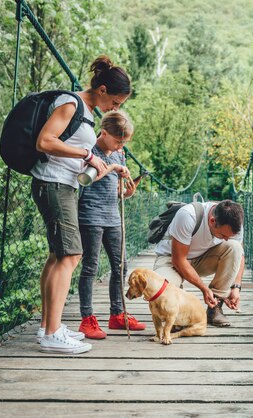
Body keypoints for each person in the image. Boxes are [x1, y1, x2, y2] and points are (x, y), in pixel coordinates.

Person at [31, 55, 131, 354]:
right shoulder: (71, 103)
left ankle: (49, 326)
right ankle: (51, 334)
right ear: (101, 89)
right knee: (72, 256)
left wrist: (96, 164)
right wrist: (87, 156)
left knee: (57, 256)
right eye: (115, 101)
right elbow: (44, 142)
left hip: (64, 184)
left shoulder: (86, 112)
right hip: (53, 183)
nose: (117, 108)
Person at [77, 110, 148, 339]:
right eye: (118, 141)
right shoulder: (90, 150)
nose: (120, 147)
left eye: (124, 143)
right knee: (91, 267)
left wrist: (126, 192)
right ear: (104, 133)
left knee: (121, 266)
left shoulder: (119, 154)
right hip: (90, 216)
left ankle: (117, 314)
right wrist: (114, 168)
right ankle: (87, 319)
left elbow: (114, 191)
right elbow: (88, 179)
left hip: (112, 217)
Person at [153, 200, 245, 327]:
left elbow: (239, 256)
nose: (226, 239)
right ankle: (177, 307)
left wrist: (236, 287)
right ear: (212, 221)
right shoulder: (188, 215)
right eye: (223, 235)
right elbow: (178, 261)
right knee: (160, 289)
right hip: (171, 260)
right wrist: (204, 289)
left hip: (201, 259)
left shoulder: (234, 223)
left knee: (235, 247)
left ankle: (215, 307)